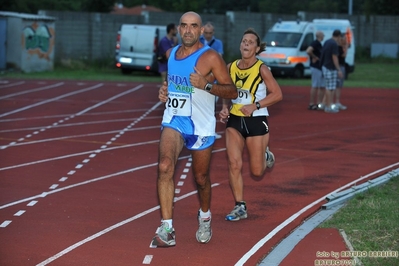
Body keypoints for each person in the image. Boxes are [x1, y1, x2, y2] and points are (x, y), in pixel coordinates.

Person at [152, 11, 238, 247]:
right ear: (178, 29)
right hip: (175, 120)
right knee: (165, 165)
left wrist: (207, 85)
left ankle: (205, 216)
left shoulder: (211, 57)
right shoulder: (170, 54)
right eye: (184, 26)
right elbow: (169, 83)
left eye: (194, 26)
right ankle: (167, 228)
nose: (188, 30)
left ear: (201, 31)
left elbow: (232, 91)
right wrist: (164, 91)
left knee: (200, 179)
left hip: (201, 126)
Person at [219, 28, 283, 221]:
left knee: (257, 171)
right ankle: (240, 206)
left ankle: (265, 154)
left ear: (256, 48)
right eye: (244, 41)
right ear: (240, 45)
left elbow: (278, 94)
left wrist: (255, 105)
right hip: (235, 120)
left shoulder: (262, 69)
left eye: (250, 42)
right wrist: (224, 107)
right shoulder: (230, 67)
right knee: (234, 163)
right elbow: (226, 90)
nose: (246, 44)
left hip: (256, 120)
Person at [200, 22, 224, 139]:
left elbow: (219, 58)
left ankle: (210, 131)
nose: (208, 35)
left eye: (210, 33)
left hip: (212, 81)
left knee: (210, 108)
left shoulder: (218, 43)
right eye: (206, 33)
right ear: (202, 31)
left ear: (213, 33)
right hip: (198, 79)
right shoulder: (197, 41)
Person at [319, 29, 343, 113]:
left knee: (329, 87)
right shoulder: (334, 44)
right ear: (339, 36)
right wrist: (338, 69)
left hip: (325, 66)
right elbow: (334, 57)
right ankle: (328, 107)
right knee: (330, 88)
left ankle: (325, 104)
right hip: (330, 68)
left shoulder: (327, 42)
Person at [306, 31, 325, 110]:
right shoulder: (315, 43)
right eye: (323, 35)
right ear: (320, 36)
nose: (324, 36)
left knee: (321, 86)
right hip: (316, 67)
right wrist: (315, 57)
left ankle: (318, 103)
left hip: (319, 67)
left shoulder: (318, 44)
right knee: (315, 85)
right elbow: (308, 51)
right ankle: (311, 103)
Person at [333, 34, 348, 110]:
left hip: (341, 66)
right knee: (337, 85)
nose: (346, 41)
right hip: (339, 67)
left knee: (339, 85)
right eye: (344, 39)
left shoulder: (340, 47)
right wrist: (346, 47)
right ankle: (334, 102)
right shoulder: (338, 48)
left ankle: (337, 101)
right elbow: (344, 55)